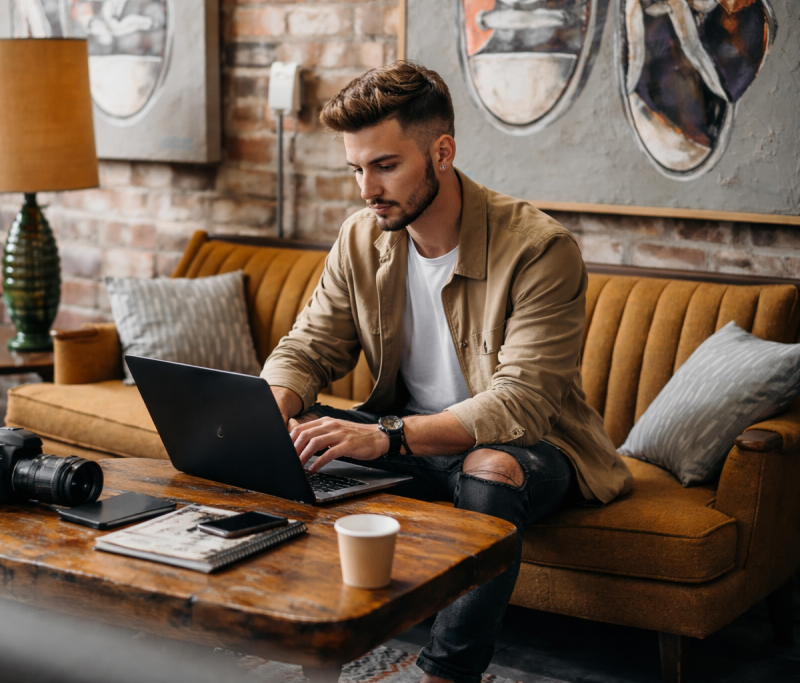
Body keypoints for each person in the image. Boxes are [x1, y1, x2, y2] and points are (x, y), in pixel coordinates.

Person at [259, 62, 633, 683]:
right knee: (294, 436)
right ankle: (310, 644)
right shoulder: (361, 237)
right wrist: (272, 410)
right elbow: (309, 346)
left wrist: (388, 436)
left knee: (491, 467)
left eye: (385, 166)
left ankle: (445, 673)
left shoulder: (540, 249)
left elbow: (521, 404)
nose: (366, 189)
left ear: (441, 152)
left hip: (533, 449)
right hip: (405, 439)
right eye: (356, 169)